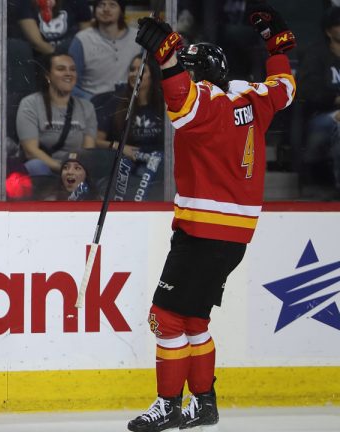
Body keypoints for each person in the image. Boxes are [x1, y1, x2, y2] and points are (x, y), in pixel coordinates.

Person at [127, 4, 296, 432]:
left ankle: (168, 404)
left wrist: (165, 58)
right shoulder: (254, 98)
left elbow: (182, 103)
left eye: (187, 67)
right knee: (194, 319)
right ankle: (204, 404)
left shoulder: (208, 102)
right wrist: (277, 46)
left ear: (201, 75)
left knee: (164, 318)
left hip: (202, 231)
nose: (180, 71)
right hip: (236, 237)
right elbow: (286, 85)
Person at [16, 52, 97, 178]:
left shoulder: (87, 107)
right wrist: (62, 169)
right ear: (48, 75)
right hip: (45, 169)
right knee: (35, 165)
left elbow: (88, 151)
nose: (68, 74)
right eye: (61, 69)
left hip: (75, 172)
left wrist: (73, 171)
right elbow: (30, 151)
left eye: (73, 69)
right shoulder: (30, 104)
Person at [97, 55, 165, 202]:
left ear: (153, 75)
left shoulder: (164, 105)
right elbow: (96, 141)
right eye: (132, 69)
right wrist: (120, 147)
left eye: (141, 70)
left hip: (158, 163)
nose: (134, 74)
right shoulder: (116, 102)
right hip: (127, 161)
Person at [298, 6, 340, 199]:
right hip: (321, 117)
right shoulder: (316, 54)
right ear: (328, 30)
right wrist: (335, 98)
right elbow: (307, 90)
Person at [68, 0, 141, 99]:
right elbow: (71, 83)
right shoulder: (82, 40)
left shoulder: (138, 38)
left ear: (121, 11)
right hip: (92, 106)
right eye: (101, 5)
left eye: (112, 5)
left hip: (128, 104)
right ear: (94, 11)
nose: (106, 9)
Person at [16, 0, 92, 57]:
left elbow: (86, 36)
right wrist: (60, 59)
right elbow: (37, 43)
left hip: (73, 55)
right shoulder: (26, 3)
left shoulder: (77, 1)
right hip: (42, 58)